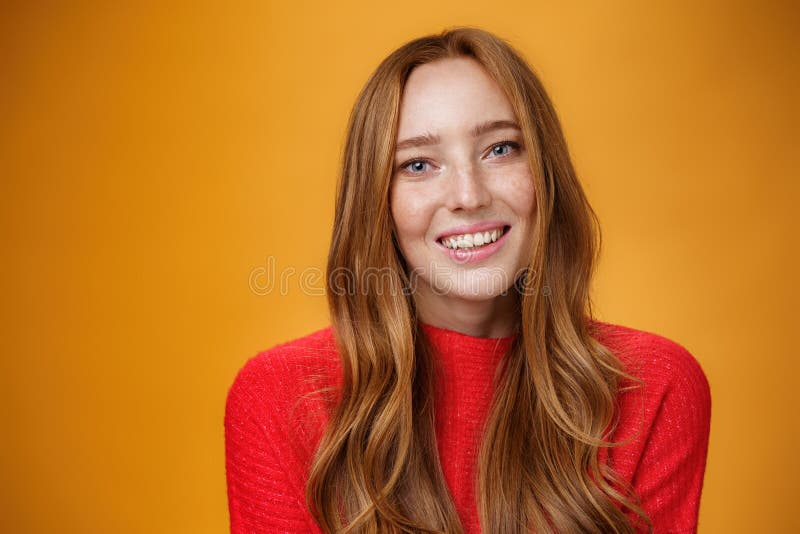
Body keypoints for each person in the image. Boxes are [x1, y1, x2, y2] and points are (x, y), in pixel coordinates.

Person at [224, 27, 711, 534]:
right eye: (417, 164)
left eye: (500, 149)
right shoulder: (281, 399)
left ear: (546, 173)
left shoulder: (653, 386)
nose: (468, 195)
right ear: (376, 203)